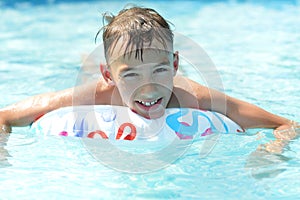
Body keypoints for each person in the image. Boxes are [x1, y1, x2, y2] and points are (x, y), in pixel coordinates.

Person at [0, 7, 298, 149]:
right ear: (109, 77)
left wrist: (273, 150)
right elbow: (6, 117)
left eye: (160, 69)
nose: (149, 86)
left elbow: (286, 124)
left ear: (176, 64)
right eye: (130, 75)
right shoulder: (99, 92)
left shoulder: (194, 96)